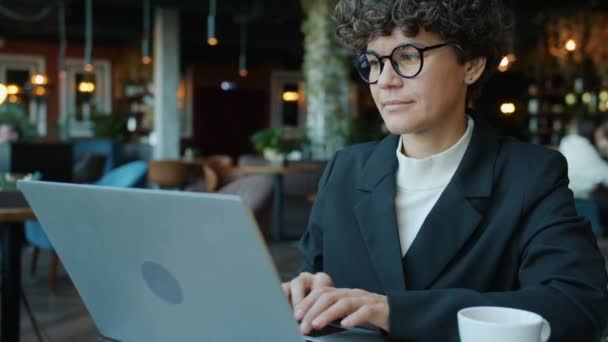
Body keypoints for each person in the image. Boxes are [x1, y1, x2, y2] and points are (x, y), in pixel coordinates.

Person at [281, 1, 608, 341]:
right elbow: (314, 277)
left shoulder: (529, 176)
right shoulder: (345, 171)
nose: (385, 81)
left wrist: (395, 312)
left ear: (472, 65)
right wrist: (304, 292)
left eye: (407, 57)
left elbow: (577, 307)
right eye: (374, 63)